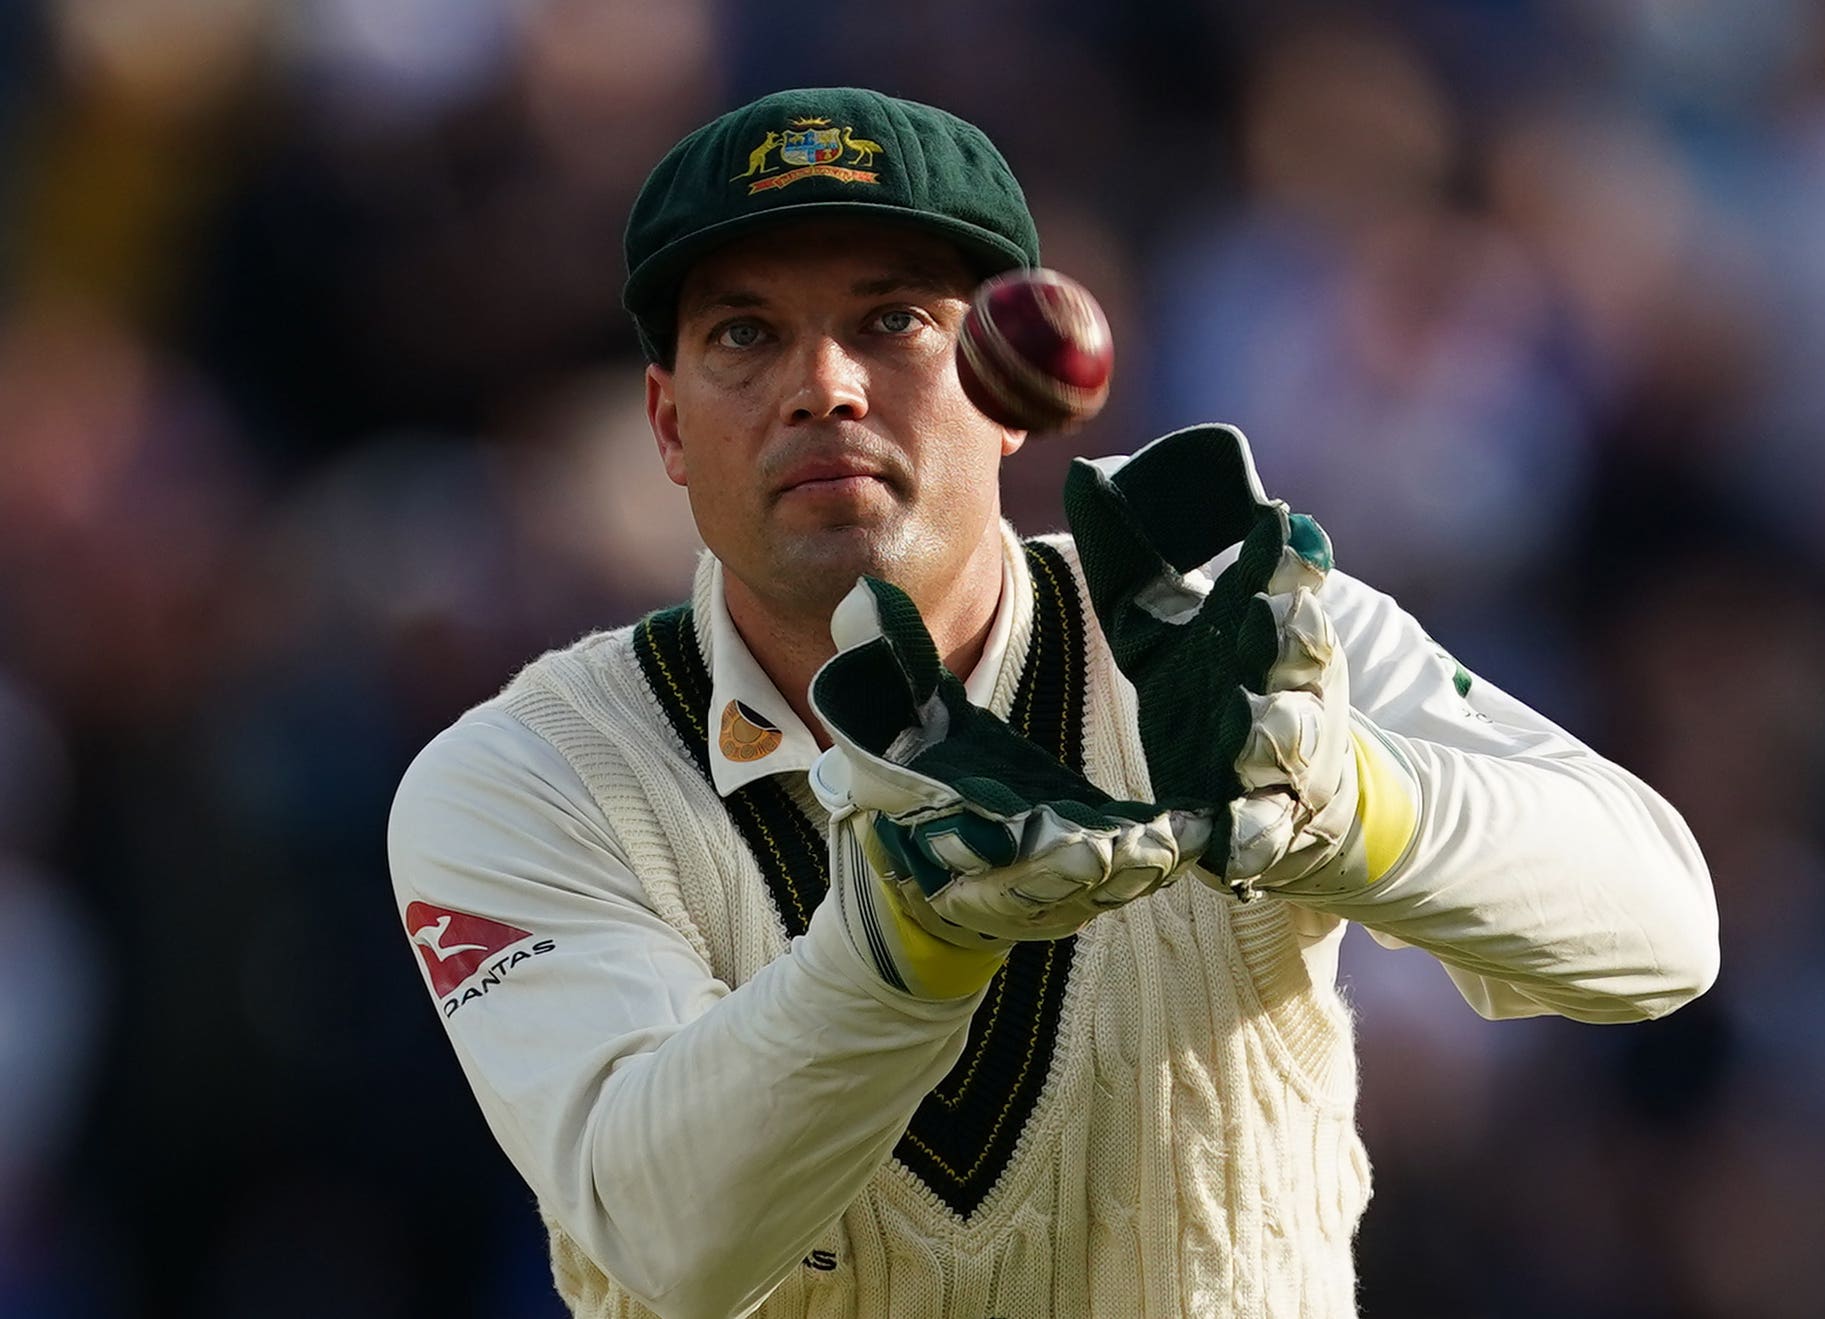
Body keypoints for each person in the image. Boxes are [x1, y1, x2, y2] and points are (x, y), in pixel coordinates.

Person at [386, 86, 1719, 1319]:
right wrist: (899, 952)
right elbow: (663, 1238)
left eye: (894, 320)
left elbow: (1662, 930)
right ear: (667, 426)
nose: (825, 386)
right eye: (747, 334)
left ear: (1007, 385)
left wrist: (1340, 799)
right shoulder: (520, 777)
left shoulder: (1231, 640)